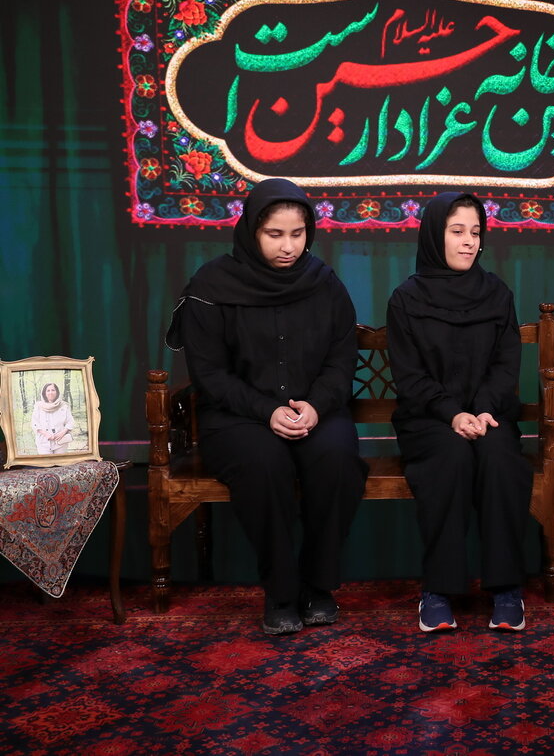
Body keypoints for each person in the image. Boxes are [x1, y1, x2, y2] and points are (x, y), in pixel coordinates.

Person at [166, 178, 367, 636]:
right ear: (251, 231)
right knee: (264, 463)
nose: (288, 247)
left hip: (315, 412)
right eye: (275, 234)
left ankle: (318, 585)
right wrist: (266, 411)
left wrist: (315, 405)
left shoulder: (325, 284)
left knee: (337, 458)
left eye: (297, 234)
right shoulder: (211, 286)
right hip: (237, 418)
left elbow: (341, 360)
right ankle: (280, 590)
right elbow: (210, 375)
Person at [387, 191, 529, 633]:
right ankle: (438, 589)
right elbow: (410, 376)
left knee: (500, 458)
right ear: (435, 235)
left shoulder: (497, 293)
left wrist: (482, 410)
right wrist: (452, 414)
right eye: (457, 231)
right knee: (449, 459)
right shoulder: (406, 299)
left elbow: (506, 364)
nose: (469, 241)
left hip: (490, 415)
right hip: (429, 419)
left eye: (476, 232)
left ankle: (506, 588)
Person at [31, 382, 75, 454]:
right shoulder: (38, 406)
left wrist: (63, 432)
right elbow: (34, 423)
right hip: (43, 442)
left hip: (61, 442)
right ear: (44, 393)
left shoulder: (64, 406)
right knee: (46, 461)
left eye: (53, 390)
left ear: (57, 392)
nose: (50, 392)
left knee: (61, 461)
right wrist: (46, 434)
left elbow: (70, 421)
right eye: (48, 390)